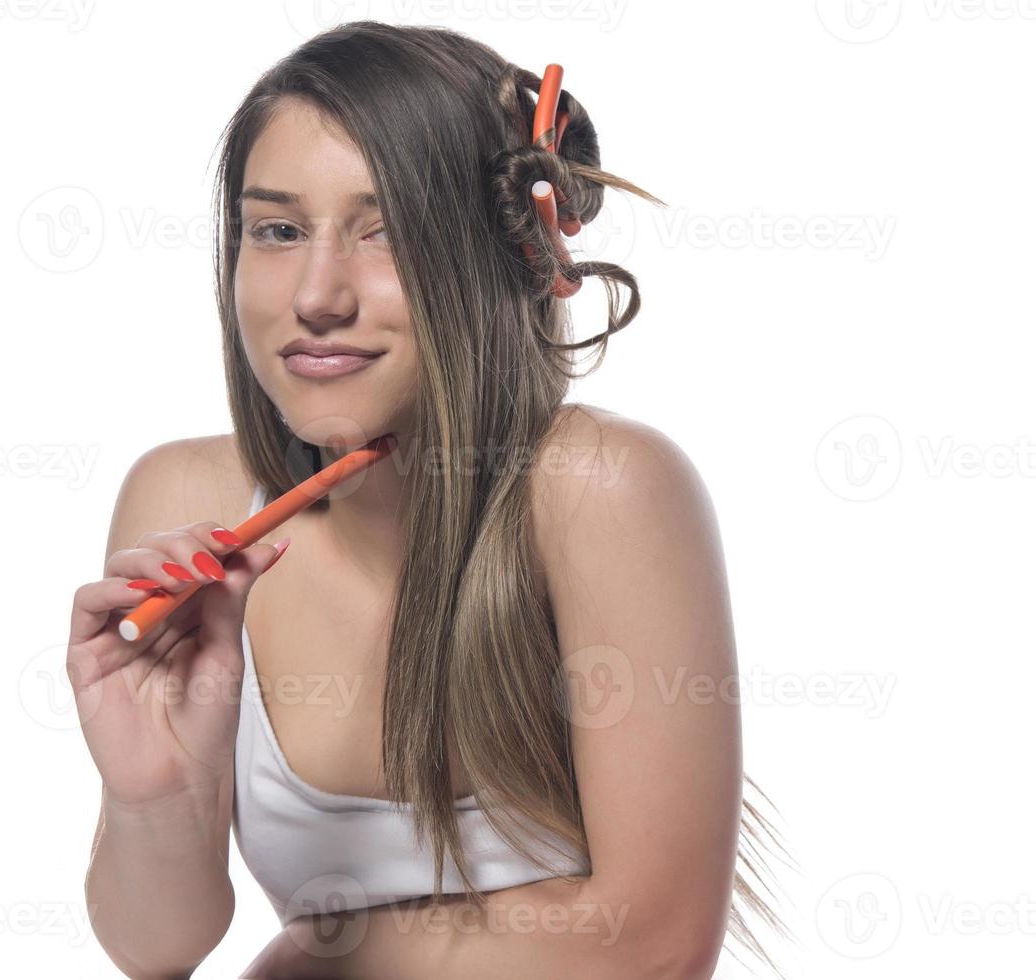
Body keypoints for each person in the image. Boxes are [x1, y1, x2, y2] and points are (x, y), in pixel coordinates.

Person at [68, 21, 791, 980]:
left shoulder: (600, 488)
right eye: (277, 230)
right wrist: (156, 792)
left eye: (388, 233)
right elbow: (154, 949)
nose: (316, 295)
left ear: (493, 256)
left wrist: (306, 960)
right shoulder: (186, 500)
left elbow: (651, 951)